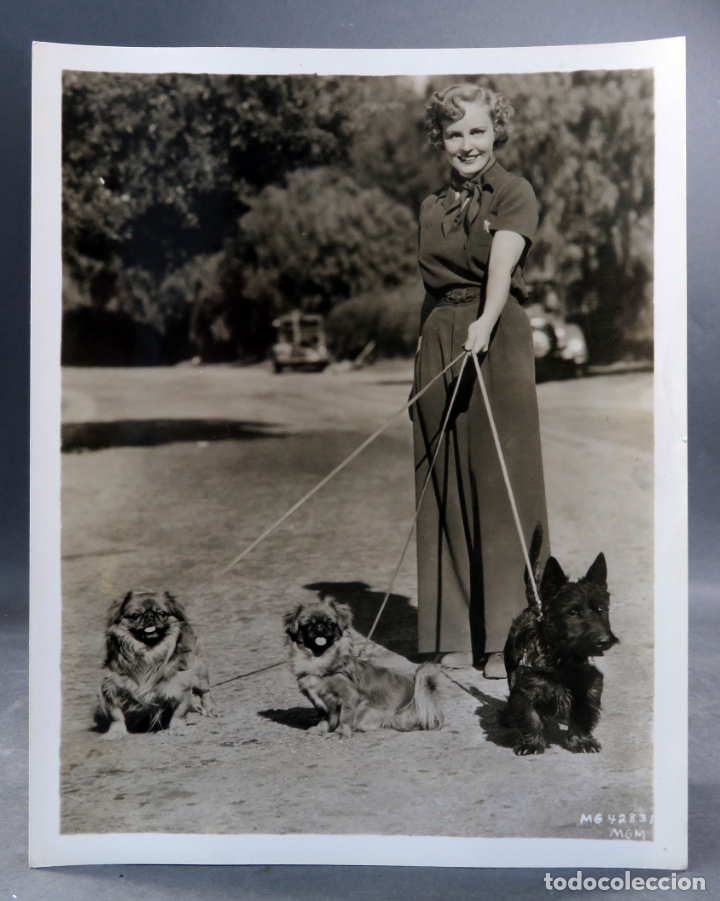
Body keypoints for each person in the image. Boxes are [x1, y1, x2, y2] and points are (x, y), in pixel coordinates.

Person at [412, 84, 549, 678]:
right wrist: (425, 350)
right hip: (440, 335)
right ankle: (449, 633)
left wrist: (485, 325)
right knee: (440, 478)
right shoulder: (431, 206)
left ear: (496, 131)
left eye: (476, 131)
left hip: (495, 334)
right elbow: (431, 288)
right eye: (453, 134)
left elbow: (502, 266)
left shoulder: (515, 192)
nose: (466, 144)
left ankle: (505, 640)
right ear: (440, 141)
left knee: (500, 483)